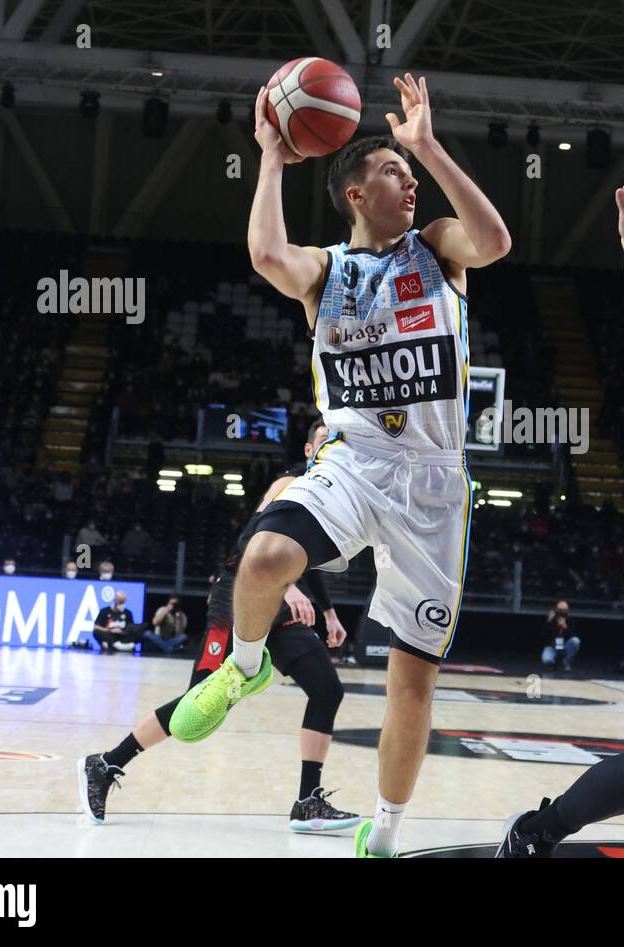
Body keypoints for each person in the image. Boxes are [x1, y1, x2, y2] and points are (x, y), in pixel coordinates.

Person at [170, 71, 510, 858]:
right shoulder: (326, 272)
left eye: (411, 171)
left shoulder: (437, 251)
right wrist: (269, 157)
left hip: (433, 483)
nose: (410, 181)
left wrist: (429, 144)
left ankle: (384, 831)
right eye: (395, 169)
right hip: (356, 460)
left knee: (410, 683)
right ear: (355, 192)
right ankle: (247, 665)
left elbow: (494, 241)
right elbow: (262, 252)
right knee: (264, 557)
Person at [79, 420, 361, 834]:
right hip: (241, 593)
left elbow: (307, 560)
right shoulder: (290, 483)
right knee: (201, 701)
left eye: (339, 441)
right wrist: (289, 588)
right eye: (325, 440)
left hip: (283, 600)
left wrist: (330, 612)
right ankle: (105, 764)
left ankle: (307, 802)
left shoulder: (334, 498)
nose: (332, 445)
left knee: (327, 689)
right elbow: (253, 541)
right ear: (308, 450)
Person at [541, 600, 580, 671]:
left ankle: (566, 662)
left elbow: (572, 635)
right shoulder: (551, 620)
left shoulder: (570, 620)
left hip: (565, 645)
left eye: (564, 610)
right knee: (547, 660)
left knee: (575, 641)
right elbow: (544, 635)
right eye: (560, 610)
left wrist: (565, 627)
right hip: (552, 646)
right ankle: (555, 663)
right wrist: (549, 621)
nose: (561, 612)